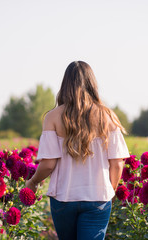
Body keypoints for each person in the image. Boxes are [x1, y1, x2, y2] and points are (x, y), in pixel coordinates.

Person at [25, 61, 130, 240]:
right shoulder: (108, 117)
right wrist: (110, 190)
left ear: (65, 84)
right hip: (98, 198)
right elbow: (117, 164)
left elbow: (48, 164)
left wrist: (33, 182)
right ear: (92, 84)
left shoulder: (52, 117)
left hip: (63, 198)